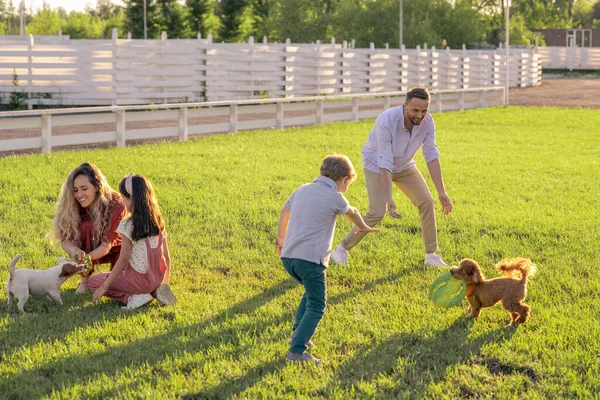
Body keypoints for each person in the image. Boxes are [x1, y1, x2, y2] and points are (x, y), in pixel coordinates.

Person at [331, 86, 453, 268]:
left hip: (404, 165)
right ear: (404, 106)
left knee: (427, 201)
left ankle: (431, 255)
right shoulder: (386, 121)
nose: (420, 115)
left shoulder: (428, 123)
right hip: (376, 164)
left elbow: (431, 155)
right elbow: (385, 161)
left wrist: (441, 192)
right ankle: (341, 249)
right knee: (377, 212)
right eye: (415, 110)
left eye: (424, 111)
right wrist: (389, 199)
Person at [275, 154, 379, 365]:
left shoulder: (302, 189)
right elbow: (352, 213)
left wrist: (280, 238)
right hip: (311, 259)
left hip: (289, 257)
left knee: (309, 292)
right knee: (317, 304)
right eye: (349, 183)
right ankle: (296, 351)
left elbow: (285, 212)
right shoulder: (335, 197)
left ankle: (298, 332)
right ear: (343, 179)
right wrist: (362, 227)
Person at [89, 174, 177, 310]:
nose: (122, 202)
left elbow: (123, 259)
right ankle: (151, 291)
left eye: (123, 198)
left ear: (131, 198)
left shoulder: (128, 225)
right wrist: (164, 283)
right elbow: (166, 257)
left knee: (93, 281)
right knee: (125, 275)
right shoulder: (158, 222)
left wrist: (103, 287)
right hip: (157, 278)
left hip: (139, 280)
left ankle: (132, 298)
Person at [51, 162, 126, 293]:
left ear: (97, 187)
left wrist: (88, 257)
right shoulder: (72, 204)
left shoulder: (116, 204)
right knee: (87, 226)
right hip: (89, 248)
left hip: (115, 247)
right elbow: (65, 240)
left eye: (84, 189)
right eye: (75, 190)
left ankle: (115, 276)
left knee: (117, 285)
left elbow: (106, 245)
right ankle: (85, 279)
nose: (79, 195)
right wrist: (75, 251)